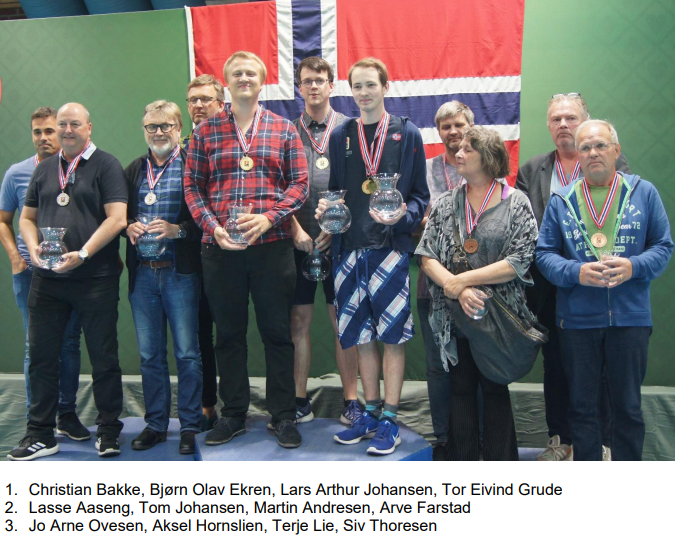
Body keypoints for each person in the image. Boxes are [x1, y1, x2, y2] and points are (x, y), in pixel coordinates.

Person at [184, 51, 309, 449]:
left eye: (250, 73)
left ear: (262, 80)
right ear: (226, 82)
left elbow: (300, 184)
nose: (243, 78)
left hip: (272, 247)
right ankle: (233, 413)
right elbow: (193, 187)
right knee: (228, 336)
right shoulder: (205, 132)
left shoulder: (283, 129)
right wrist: (213, 228)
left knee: (278, 334)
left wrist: (270, 218)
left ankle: (283, 415)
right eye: (236, 73)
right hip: (221, 249)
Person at [536, 120, 673, 461]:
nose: (593, 153)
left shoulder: (644, 192)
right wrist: (576, 272)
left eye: (600, 145)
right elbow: (544, 255)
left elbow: (663, 246)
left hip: (629, 319)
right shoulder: (562, 200)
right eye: (585, 147)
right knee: (582, 408)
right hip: (577, 321)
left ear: (616, 150)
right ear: (578, 154)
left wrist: (633, 267)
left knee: (628, 407)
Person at [317, 57, 429, 455]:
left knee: (392, 337)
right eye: (357, 86)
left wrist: (404, 217)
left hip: (390, 250)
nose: (364, 93)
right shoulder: (341, 135)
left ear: (385, 86)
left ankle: (391, 420)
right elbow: (336, 191)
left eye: (370, 85)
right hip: (349, 250)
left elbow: (420, 197)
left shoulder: (406, 132)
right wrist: (326, 210)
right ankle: (369, 412)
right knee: (362, 337)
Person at [8, 103, 128, 460]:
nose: (67, 130)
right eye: (62, 124)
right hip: (47, 280)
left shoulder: (107, 165)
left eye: (75, 124)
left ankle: (108, 431)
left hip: (95, 278)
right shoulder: (44, 169)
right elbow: (26, 218)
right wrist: (33, 249)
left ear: (89, 127)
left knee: (103, 357)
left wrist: (84, 254)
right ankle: (41, 434)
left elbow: (117, 218)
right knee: (42, 357)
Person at [516, 93, 630, 461]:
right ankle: (560, 440)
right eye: (556, 119)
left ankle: (603, 443)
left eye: (571, 118)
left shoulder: (611, 164)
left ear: (586, 121)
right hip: (549, 286)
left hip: (599, 285)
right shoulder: (532, 170)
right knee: (556, 365)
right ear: (549, 126)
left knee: (602, 365)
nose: (563, 124)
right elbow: (523, 226)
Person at [417, 126, 538, 461]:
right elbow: (426, 255)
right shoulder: (445, 203)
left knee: (495, 388)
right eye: (459, 149)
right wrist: (454, 288)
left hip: (499, 316)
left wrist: (464, 282)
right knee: (459, 389)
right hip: (454, 316)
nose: (458, 153)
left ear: (488, 157)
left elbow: (520, 258)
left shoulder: (516, 202)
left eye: (467, 149)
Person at [0, 107, 86, 441]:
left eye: (49, 131)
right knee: (34, 347)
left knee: (69, 344)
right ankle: (36, 421)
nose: (44, 138)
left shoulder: (80, 170)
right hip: (30, 274)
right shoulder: (17, 173)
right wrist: (16, 259)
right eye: (37, 132)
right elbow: (4, 220)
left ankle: (67, 414)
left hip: (69, 271)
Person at [124, 100, 203, 455]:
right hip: (143, 275)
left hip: (179, 273)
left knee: (187, 353)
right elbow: (118, 216)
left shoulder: (192, 166)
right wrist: (128, 226)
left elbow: (206, 219)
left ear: (178, 129)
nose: (158, 133)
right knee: (149, 355)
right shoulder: (133, 170)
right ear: (144, 130)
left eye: (166, 126)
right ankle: (156, 424)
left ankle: (189, 425)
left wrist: (177, 230)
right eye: (152, 127)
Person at [290, 56, 360, 425]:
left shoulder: (349, 130)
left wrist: (335, 228)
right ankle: (299, 400)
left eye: (320, 80)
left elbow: (360, 186)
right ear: (299, 87)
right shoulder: (287, 132)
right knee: (298, 321)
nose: (314, 86)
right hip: (297, 241)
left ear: (331, 85)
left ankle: (351, 401)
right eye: (307, 81)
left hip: (340, 242)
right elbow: (276, 189)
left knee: (342, 322)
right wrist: (295, 231)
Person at [417, 101, 474, 460]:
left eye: (459, 125)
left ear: (470, 127)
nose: (453, 132)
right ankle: (443, 438)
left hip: (478, 287)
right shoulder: (424, 171)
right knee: (438, 366)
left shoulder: (485, 168)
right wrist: (424, 224)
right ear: (438, 132)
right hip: (432, 285)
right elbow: (412, 220)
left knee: (476, 364)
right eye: (446, 127)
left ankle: (477, 438)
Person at [183, 74, 225, 431]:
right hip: (190, 256)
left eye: (205, 99)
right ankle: (206, 405)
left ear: (221, 104)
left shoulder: (232, 145)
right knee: (199, 336)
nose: (198, 106)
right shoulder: (178, 149)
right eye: (193, 100)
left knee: (230, 333)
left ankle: (237, 406)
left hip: (228, 250)